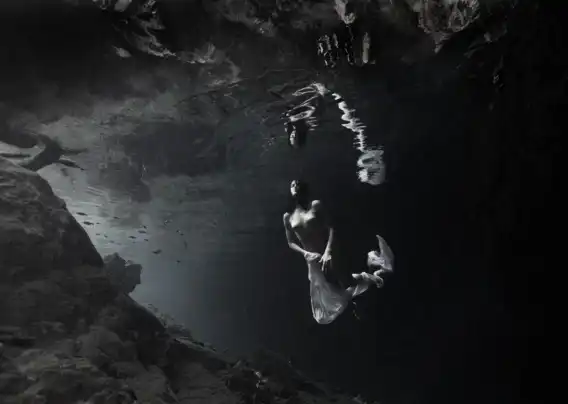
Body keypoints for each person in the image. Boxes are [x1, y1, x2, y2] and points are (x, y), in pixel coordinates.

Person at [282, 180, 385, 324]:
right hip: (312, 259)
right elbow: (290, 242)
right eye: (292, 185)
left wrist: (328, 251)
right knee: (329, 292)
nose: (294, 186)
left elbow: (331, 227)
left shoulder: (315, 205)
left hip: (329, 252)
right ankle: (359, 296)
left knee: (346, 281)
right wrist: (305, 253)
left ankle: (366, 283)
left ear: (304, 188)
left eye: (297, 184)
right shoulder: (288, 217)